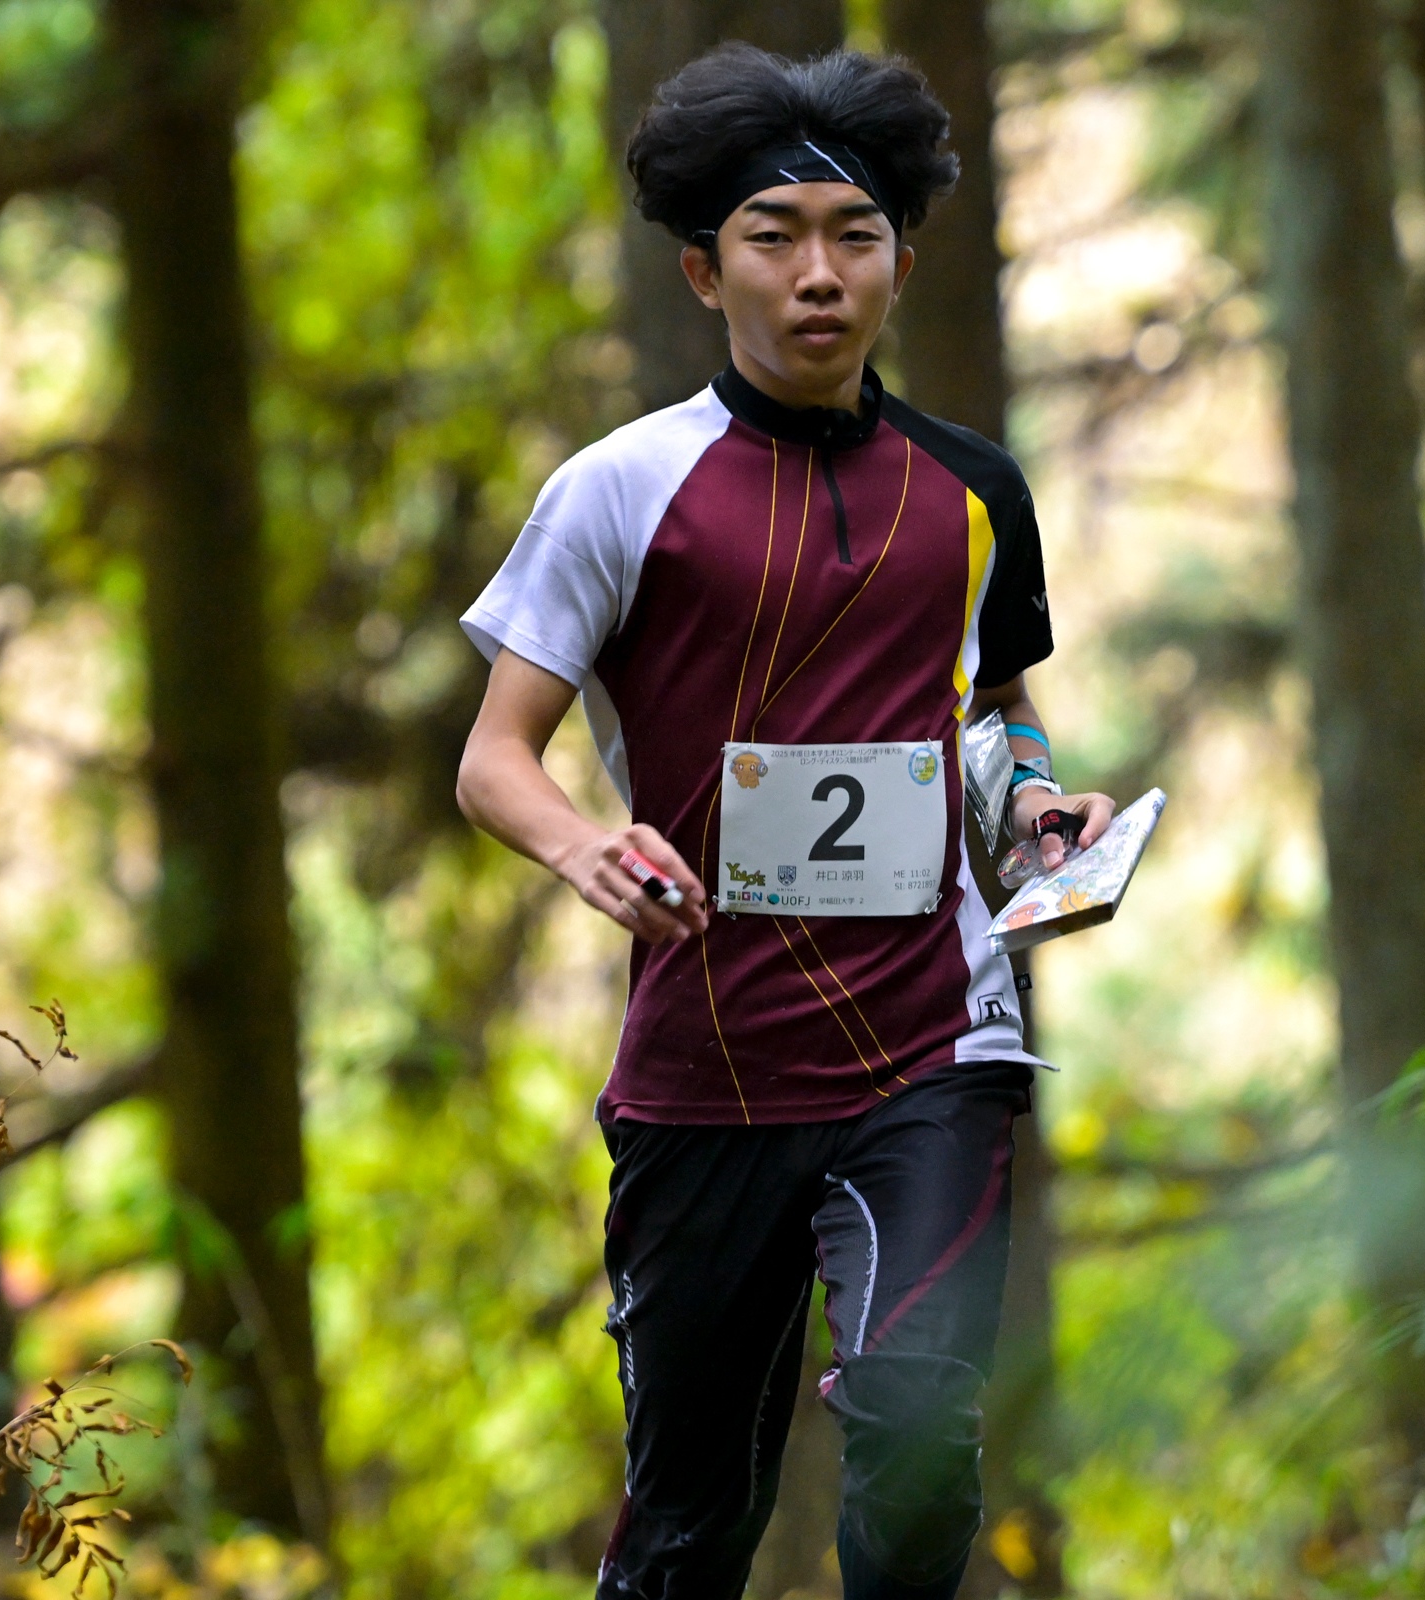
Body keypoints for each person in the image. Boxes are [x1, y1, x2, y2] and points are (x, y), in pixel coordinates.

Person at [455, 42, 1113, 1600]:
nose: (819, 274)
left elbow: (990, 714)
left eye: (855, 236)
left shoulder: (976, 489)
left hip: (933, 1039)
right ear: (705, 270)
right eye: (775, 238)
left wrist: (1035, 807)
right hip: (708, 1066)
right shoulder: (619, 489)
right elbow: (494, 758)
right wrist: (586, 847)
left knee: (917, 1427)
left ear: (899, 263)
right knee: (690, 1526)